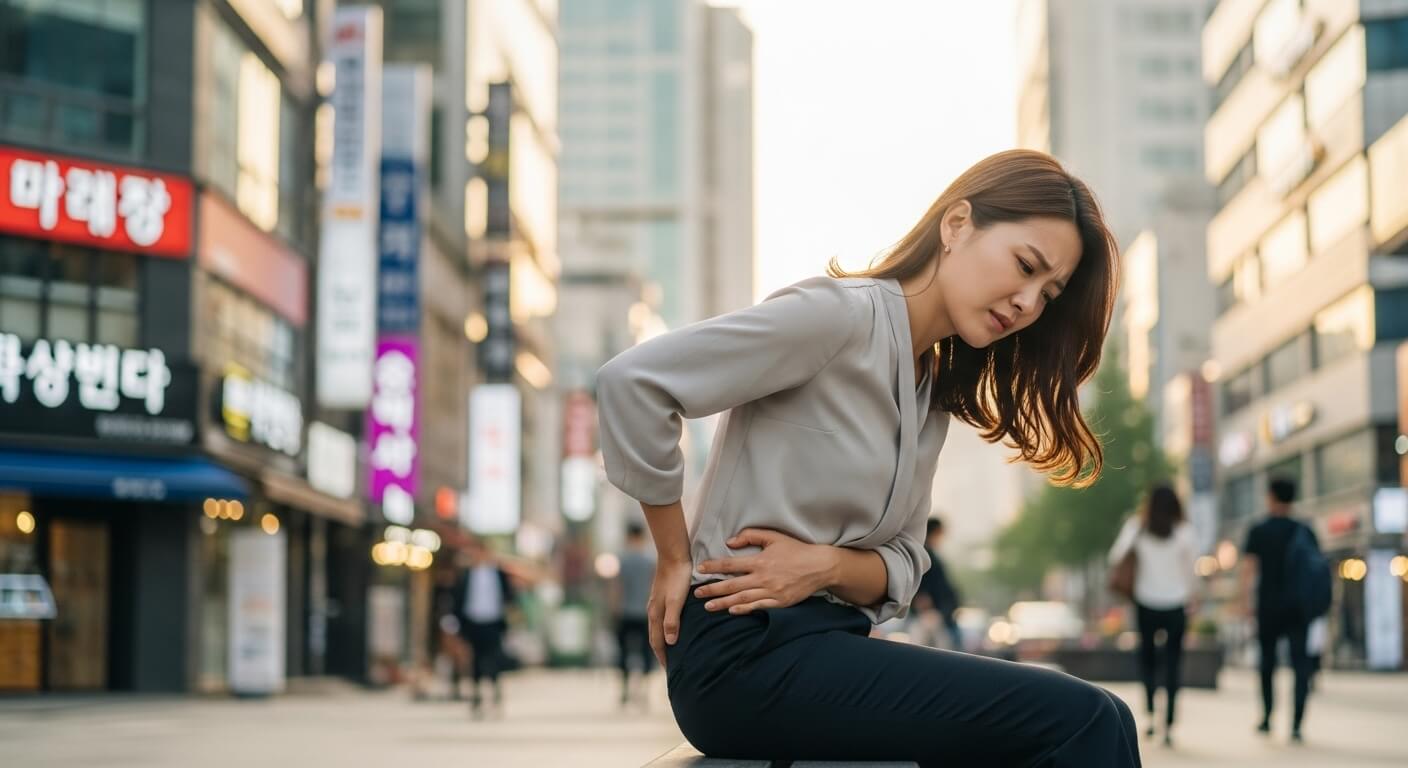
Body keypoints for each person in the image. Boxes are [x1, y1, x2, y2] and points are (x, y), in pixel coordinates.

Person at [596, 150, 1138, 766]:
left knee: (1109, 717)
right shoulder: (840, 316)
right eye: (1025, 266)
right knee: (1082, 717)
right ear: (957, 225)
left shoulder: (932, 392)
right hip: (741, 653)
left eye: (1048, 293)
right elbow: (633, 384)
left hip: (826, 645)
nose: (1027, 303)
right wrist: (673, 557)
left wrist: (823, 566)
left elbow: (904, 564)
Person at [1108, 485, 1198, 747]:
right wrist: (1191, 595)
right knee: (1173, 662)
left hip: (1145, 603)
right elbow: (1192, 572)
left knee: (1147, 660)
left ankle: (1149, 715)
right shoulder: (1184, 532)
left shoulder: (1138, 527)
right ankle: (1168, 723)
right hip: (1176, 605)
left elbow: (1115, 556)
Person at [1241, 476, 1320, 743]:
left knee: (1267, 664)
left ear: (1271, 496)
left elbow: (1249, 570)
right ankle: (1297, 723)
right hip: (1299, 607)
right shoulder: (1305, 530)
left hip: (1269, 606)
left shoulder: (1259, 529)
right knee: (1301, 664)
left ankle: (1267, 717)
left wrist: (1245, 603)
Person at [451, 539, 515, 717]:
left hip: (493, 621)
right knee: (476, 660)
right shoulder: (466, 575)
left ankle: (495, 694)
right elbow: (457, 599)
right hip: (473, 621)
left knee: (494, 657)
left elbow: (509, 596)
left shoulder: (498, 574)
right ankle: (477, 696)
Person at [613, 522, 657, 707]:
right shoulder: (650, 561)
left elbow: (617, 588)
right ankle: (645, 691)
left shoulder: (622, 560)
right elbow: (654, 585)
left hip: (625, 612)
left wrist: (614, 607)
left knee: (623, 651)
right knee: (647, 651)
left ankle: (625, 690)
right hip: (646, 612)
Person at [912, 517, 963, 649]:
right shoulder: (926, 554)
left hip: (939, 614)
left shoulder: (928, 553)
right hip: (934, 614)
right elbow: (925, 586)